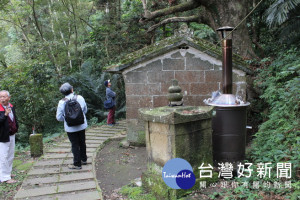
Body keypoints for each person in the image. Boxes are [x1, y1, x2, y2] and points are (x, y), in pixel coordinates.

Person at [56, 83, 88, 170]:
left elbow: (58, 117)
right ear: (72, 89)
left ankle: (77, 164)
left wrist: (68, 119)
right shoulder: (80, 98)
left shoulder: (61, 102)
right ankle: (84, 159)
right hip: (81, 125)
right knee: (82, 142)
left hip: (70, 127)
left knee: (74, 144)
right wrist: (79, 117)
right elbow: (85, 110)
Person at [0, 90, 18, 184]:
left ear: (9, 98)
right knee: (3, 156)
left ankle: (8, 172)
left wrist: (16, 128)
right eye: (0, 97)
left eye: (4, 97)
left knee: (10, 155)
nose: (2, 99)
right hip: (2, 136)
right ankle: (5, 177)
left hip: (12, 134)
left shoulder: (11, 106)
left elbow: (14, 118)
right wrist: (5, 115)